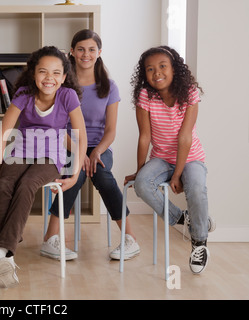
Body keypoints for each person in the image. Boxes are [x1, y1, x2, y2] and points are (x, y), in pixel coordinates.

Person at [0, 46, 87, 288]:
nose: (49, 78)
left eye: (56, 73)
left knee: (26, 185)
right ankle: (7, 257)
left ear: (64, 77)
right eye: (43, 71)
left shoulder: (68, 96)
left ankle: (0, 253)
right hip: (22, 151)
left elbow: (81, 137)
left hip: (51, 156)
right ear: (34, 73)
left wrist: (74, 176)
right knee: (3, 184)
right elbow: (5, 131)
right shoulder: (24, 93)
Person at [41, 29, 140, 261]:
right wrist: (78, 153)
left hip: (99, 147)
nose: (86, 54)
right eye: (81, 49)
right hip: (67, 145)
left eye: (92, 49)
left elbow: (111, 130)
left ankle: (130, 239)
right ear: (72, 52)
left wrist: (95, 152)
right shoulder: (61, 84)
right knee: (73, 174)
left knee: (104, 177)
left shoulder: (109, 87)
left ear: (99, 52)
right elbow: (57, 127)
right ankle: (50, 239)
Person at [126, 45, 215, 274]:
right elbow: (144, 136)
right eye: (150, 69)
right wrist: (140, 170)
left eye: (163, 66)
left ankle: (199, 241)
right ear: (144, 74)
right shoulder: (145, 96)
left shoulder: (189, 92)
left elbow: (185, 137)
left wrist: (178, 174)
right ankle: (186, 219)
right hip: (162, 158)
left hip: (191, 156)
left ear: (174, 69)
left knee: (195, 187)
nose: (157, 73)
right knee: (143, 184)